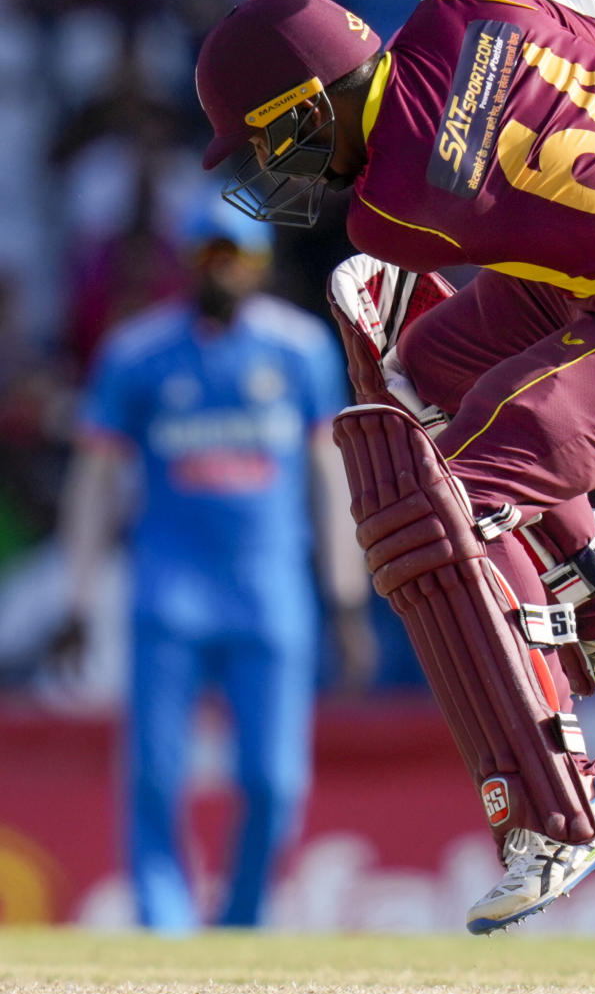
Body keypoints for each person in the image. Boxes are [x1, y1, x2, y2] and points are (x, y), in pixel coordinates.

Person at [194, 0, 595, 932]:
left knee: (442, 503)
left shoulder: (390, 208)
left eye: (273, 141)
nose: (278, 170)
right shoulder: (467, 4)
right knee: (432, 360)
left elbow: (447, 179)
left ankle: (564, 806)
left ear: (312, 104)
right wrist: (552, 17)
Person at [56, 187, 373, 930]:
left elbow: (329, 478)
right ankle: (164, 920)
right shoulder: (136, 354)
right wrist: (77, 597)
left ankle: (242, 923)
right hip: (169, 592)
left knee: (272, 779)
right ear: (187, 260)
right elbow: (94, 481)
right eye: (207, 255)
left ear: (258, 263)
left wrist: (347, 596)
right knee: (157, 774)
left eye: (233, 257)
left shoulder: (298, 350)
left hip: (270, 592)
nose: (220, 271)